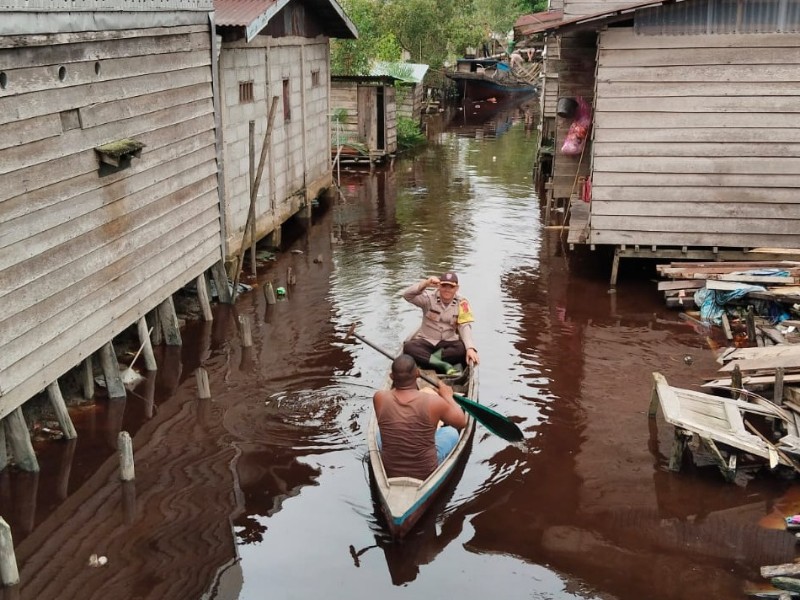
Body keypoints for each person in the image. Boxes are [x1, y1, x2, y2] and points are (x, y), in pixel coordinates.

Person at [373, 354, 467, 480]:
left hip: (390, 470)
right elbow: (461, 422)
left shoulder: (379, 397)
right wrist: (447, 396)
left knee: (379, 434)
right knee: (451, 432)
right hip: (425, 471)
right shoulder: (434, 402)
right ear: (417, 373)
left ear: (391, 376)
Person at [402, 272, 479, 373]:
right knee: (409, 347)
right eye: (444, 286)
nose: (447, 289)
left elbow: (464, 326)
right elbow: (407, 295)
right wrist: (425, 283)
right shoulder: (428, 298)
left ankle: (427, 361)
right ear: (439, 286)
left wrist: (470, 348)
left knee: (461, 349)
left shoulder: (462, 303)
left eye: (451, 287)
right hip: (427, 341)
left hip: (448, 343)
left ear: (457, 288)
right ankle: (443, 365)